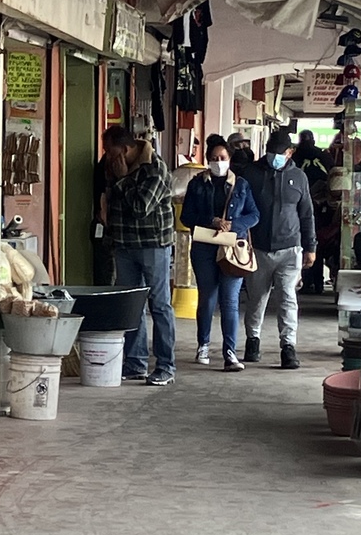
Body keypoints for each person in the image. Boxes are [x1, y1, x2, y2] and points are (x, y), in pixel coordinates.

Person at [105, 128, 177, 385]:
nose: (107, 156)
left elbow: (140, 207)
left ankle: (166, 366)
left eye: (110, 151)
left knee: (159, 304)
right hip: (124, 245)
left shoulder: (155, 168)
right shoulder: (113, 165)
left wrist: (123, 179)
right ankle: (135, 362)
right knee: (132, 304)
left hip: (153, 244)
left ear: (125, 149)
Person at [180, 140, 260, 371]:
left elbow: (254, 215)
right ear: (207, 160)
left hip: (231, 248)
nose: (218, 162)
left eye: (223, 158)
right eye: (214, 158)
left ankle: (230, 353)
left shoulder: (241, 185)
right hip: (204, 247)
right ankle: (203, 345)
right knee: (207, 298)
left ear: (230, 159)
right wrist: (211, 221)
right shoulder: (197, 184)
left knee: (230, 301)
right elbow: (186, 216)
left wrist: (234, 225)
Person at [242, 129, 316, 369]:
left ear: (290, 152)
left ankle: (288, 347)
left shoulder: (299, 177)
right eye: (270, 152)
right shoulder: (251, 174)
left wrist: (310, 247)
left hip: (290, 248)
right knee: (256, 298)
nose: (274, 156)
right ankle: (253, 340)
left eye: (279, 152)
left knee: (287, 298)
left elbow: (306, 214)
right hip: (258, 248)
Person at [92, 126, 126, 285]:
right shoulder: (104, 166)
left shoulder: (132, 166)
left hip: (121, 230)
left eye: (110, 150)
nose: (108, 155)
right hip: (104, 225)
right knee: (104, 273)